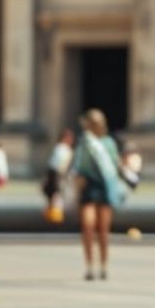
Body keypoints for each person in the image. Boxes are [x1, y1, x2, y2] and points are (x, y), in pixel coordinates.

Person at [72, 107, 126, 281]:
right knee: (88, 227)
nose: (96, 125)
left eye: (98, 122)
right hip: (88, 186)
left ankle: (103, 265)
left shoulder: (108, 143)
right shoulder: (85, 143)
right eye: (92, 122)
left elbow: (115, 165)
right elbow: (78, 167)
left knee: (103, 230)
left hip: (104, 187)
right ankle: (89, 266)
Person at [42, 126, 76, 220]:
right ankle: (54, 214)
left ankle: (51, 213)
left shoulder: (59, 147)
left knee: (54, 194)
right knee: (56, 194)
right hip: (58, 174)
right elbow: (61, 165)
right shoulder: (64, 149)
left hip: (55, 173)